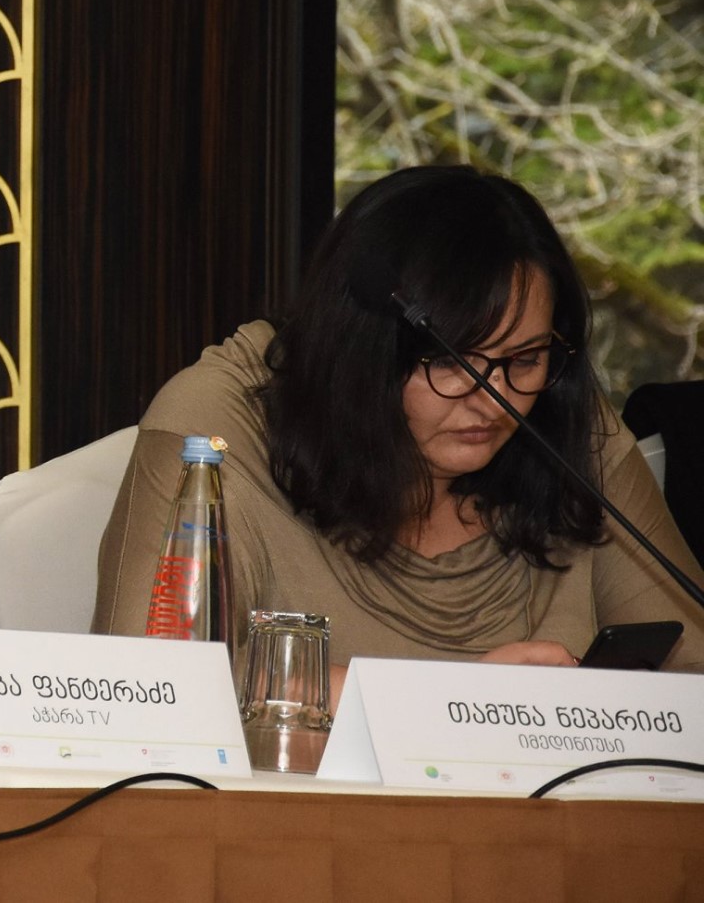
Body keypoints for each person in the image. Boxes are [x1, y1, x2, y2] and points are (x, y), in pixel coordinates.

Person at [93, 165, 704, 688]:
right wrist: (458, 703)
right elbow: (150, 686)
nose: (494, 400)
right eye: (452, 362)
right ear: (362, 351)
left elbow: (693, 674)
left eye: (524, 358)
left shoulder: (560, 416)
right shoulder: (219, 424)